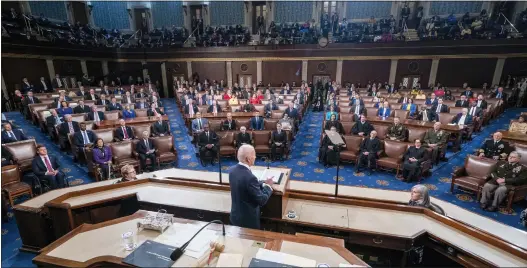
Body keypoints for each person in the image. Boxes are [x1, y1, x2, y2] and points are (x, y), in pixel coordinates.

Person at [229, 144, 275, 229]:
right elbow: (261, 200)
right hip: (247, 222)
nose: (255, 157)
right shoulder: (250, 177)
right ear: (248, 159)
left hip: (235, 216)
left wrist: (262, 182)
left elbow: (245, 184)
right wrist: (268, 186)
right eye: (254, 154)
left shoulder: (232, 170)